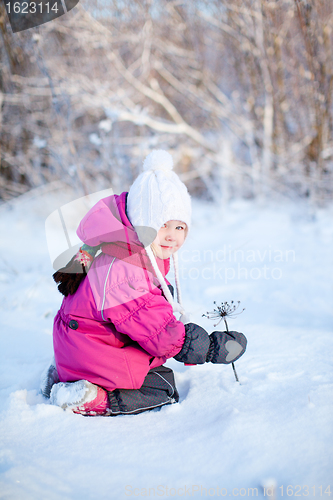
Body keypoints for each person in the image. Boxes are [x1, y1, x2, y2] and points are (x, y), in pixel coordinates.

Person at [42, 150, 247, 416]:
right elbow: (160, 334)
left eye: (180, 227)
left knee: (154, 369)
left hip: (83, 345)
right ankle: (90, 398)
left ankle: (66, 374)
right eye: (162, 225)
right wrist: (208, 348)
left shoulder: (129, 249)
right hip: (90, 352)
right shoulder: (125, 268)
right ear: (142, 223)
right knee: (161, 386)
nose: (172, 236)